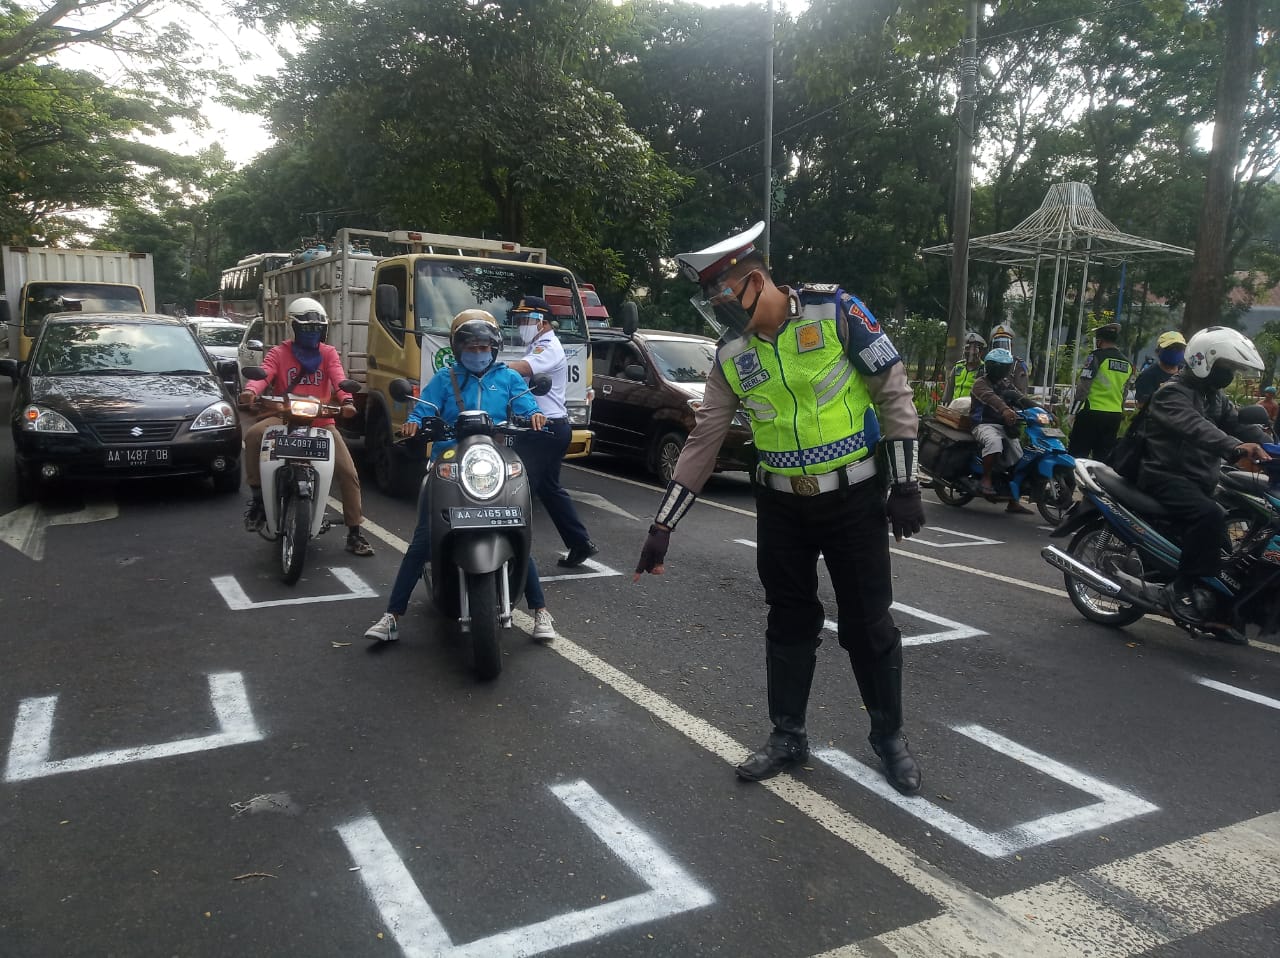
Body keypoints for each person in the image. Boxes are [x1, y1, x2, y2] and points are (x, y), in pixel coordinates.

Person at [633, 221, 925, 794]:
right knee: (788, 620)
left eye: (724, 299)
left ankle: (888, 738)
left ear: (756, 281)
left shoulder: (836, 311)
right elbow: (703, 438)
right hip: (782, 505)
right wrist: (662, 525)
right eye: (711, 303)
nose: (721, 315)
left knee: (868, 624)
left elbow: (893, 390)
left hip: (853, 497)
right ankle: (788, 736)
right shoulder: (732, 354)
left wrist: (907, 485)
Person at [364, 310, 556, 643]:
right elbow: (424, 408)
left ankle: (541, 611)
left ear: (493, 348)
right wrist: (414, 422)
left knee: (514, 528)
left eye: (484, 346)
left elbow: (526, 406)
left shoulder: (508, 377)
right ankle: (392, 615)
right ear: (458, 348)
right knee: (423, 539)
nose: (478, 352)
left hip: (492, 462)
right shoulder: (444, 378)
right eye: (471, 345)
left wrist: (536, 416)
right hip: (449, 464)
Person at [1139, 326, 1272, 628]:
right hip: (1165, 475)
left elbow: (1236, 422)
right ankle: (1179, 588)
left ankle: (1220, 610)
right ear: (1205, 361)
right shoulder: (1173, 393)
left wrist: (1268, 444)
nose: (1229, 374)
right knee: (1210, 515)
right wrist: (1235, 447)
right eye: (1226, 367)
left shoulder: (1213, 396)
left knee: (1228, 540)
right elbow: (1196, 426)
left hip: (1198, 478)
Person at [239, 297, 374, 557]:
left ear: (323, 330)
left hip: (321, 421)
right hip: (284, 416)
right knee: (254, 435)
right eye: (306, 328)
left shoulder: (328, 353)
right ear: (294, 328)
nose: (312, 333)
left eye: (316, 329)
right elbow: (264, 374)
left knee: (349, 473)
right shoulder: (279, 352)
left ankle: (355, 531)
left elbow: (338, 378)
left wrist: (347, 400)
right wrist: (250, 390)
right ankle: (257, 498)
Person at [503, 295, 598, 568]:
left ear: (542, 322)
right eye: (518, 320)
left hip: (544, 430)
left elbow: (524, 369)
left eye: (525, 320)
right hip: (548, 429)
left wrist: (492, 368)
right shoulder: (537, 345)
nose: (520, 325)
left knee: (516, 490)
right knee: (549, 490)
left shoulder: (548, 347)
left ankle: (511, 554)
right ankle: (580, 544)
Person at [968, 347, 1038, 513]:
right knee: (994, 443)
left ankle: (1013, 500)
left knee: (1019, 457)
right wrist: (1005, 410)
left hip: (1004, 426)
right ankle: (986, 478)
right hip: (983, 424)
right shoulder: (980, 384)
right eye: (1000, 367)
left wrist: (1044, 410)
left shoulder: (1006, 384)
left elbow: (1021, 398)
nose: (1003, 371)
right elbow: (992, 399)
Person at [1067, 322, 1132, 461]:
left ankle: (1073, 483)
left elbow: (1084, 386)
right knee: (1103, 460)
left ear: (1100, 340)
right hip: (1114, 415)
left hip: (1091, 413)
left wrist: (1073, 412)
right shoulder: (1127, 363)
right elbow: (1124, 393)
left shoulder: (1096, 357)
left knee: (1077, 457)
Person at [1133, 330, 1186, 409]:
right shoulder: (1147, 376)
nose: (1174, 351)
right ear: (1158, 351)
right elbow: (1142, 405)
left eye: (1179, 348)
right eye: (1170, 348)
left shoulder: (1187, 374)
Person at [942, 331, 986, 404]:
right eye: (967, 348)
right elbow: (949, 389)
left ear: (980, 352)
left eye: (974, 349)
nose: (970, 352)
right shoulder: (958, 367)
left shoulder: (984, 369)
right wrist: (945, 403)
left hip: (972, 409)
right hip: (955, 407)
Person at [988, 325, 1031, 395]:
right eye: (997, 345)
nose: (1001, 349)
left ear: (1011, 345)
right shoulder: (988, 364)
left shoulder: (1018, 365)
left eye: (1005, 345)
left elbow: (1022, 393)